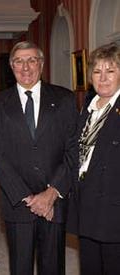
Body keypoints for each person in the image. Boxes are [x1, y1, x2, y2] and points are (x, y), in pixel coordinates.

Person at [0, 41, 77, 275]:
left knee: (53, 267)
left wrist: (50, 194)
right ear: (11, 66)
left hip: (53, 202)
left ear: (42, 64)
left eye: (32, 60)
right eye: (19, 61)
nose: (25, 67)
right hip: (18, 204)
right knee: (20, 268)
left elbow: (73, 149)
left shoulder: (65, 99)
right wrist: (26, 197)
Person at [68, 43, 120, 275]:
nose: (103, 78)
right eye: (97, 72)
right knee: (89, 267)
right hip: (86, 204)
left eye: (111, 70)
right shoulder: (89, 108)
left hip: (114, 208)